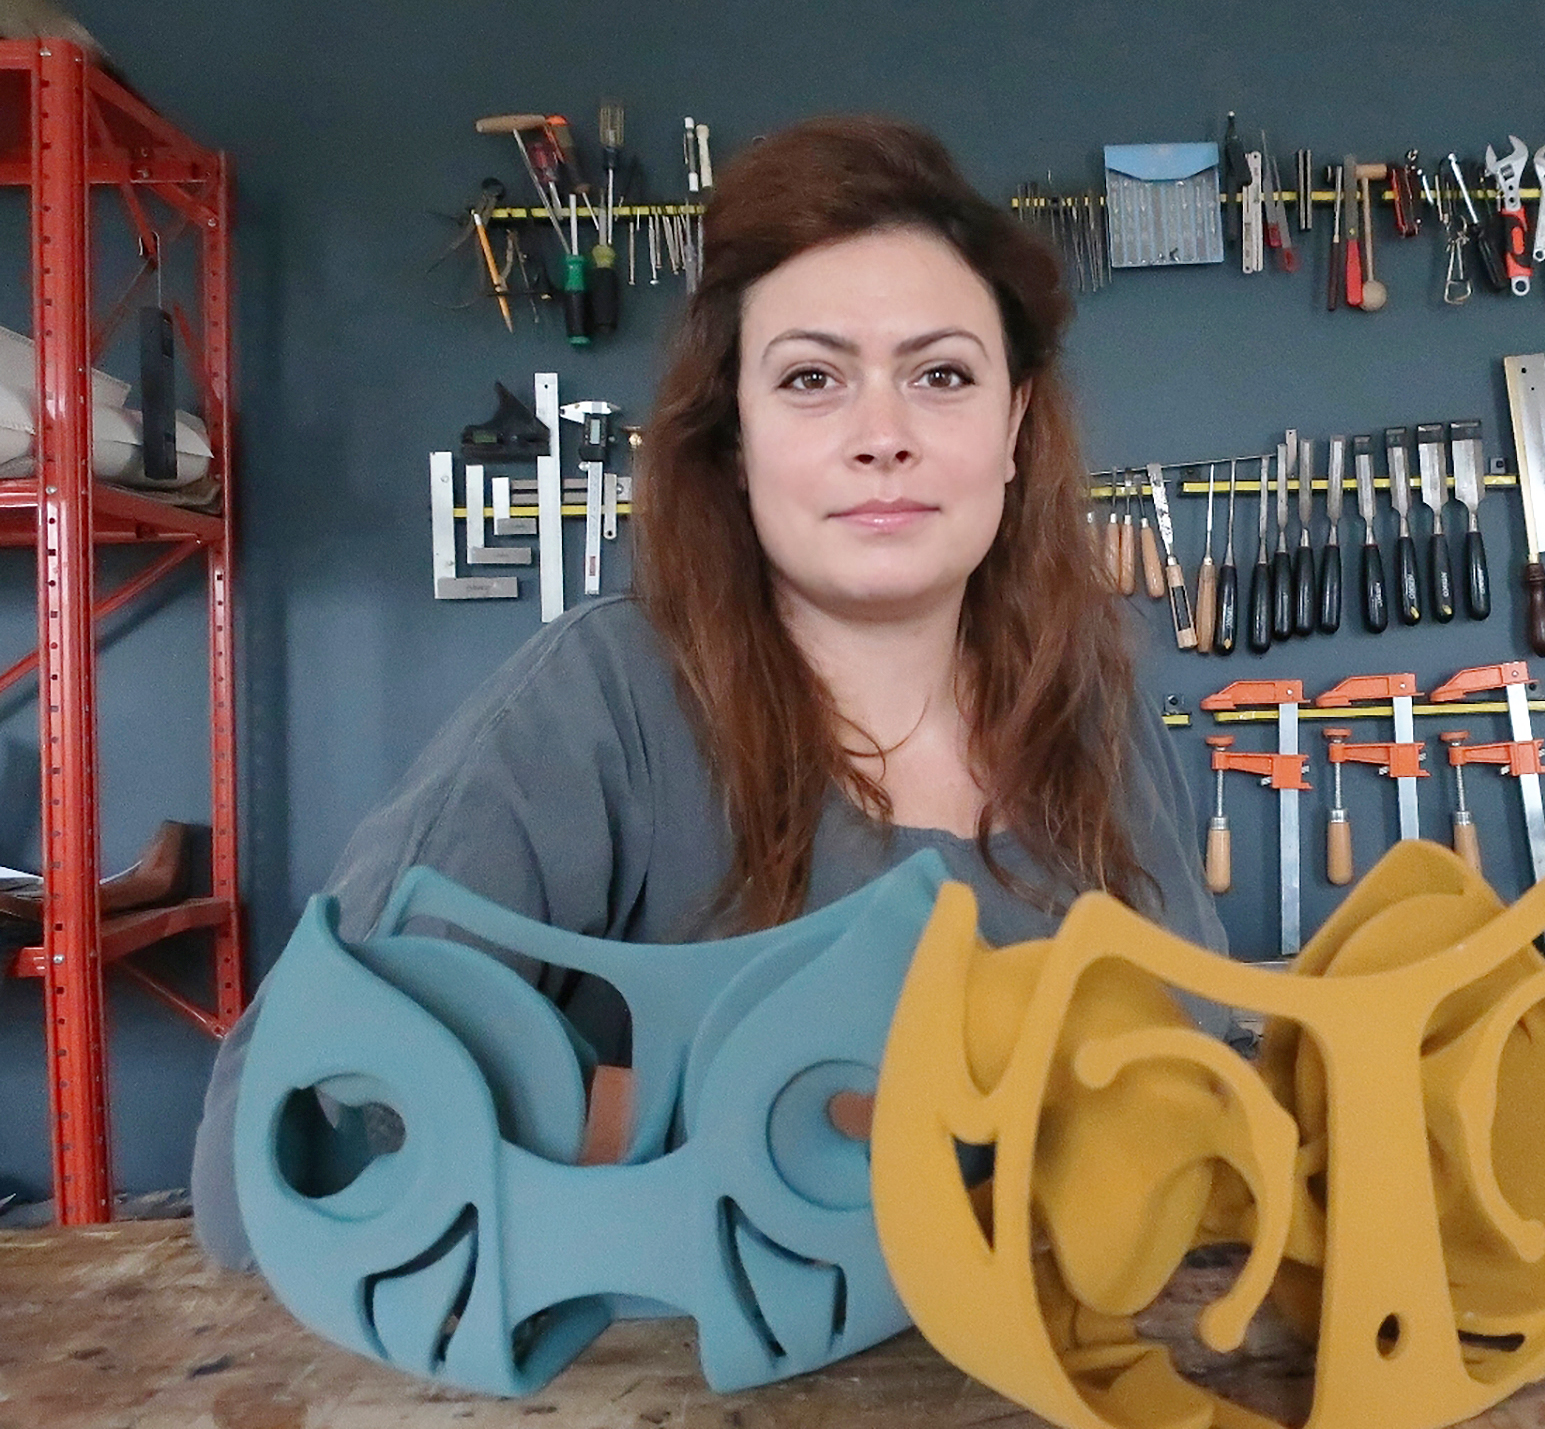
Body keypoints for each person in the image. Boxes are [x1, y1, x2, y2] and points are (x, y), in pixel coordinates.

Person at [190, 115, 1228, 1269]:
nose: (882, 434)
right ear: (735, 435)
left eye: (940, 374)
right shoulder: (605, 704)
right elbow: (282, 1134)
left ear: (1015, 421)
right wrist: (775, 1124)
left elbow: (1200, 1062)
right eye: (810, 378)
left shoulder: (1090, 706)